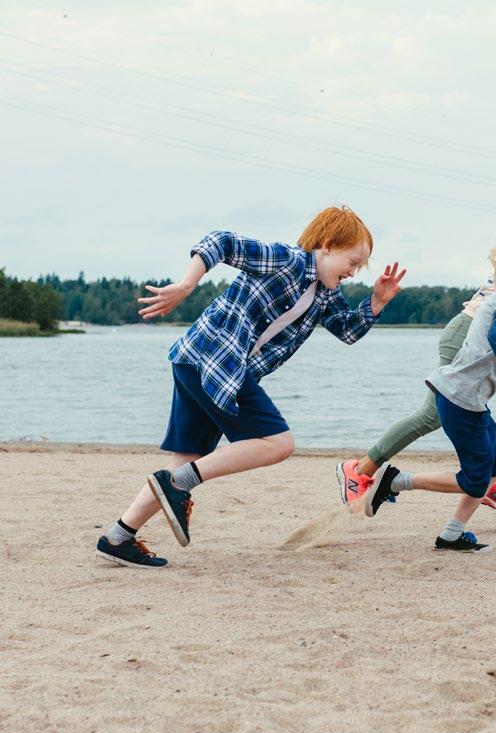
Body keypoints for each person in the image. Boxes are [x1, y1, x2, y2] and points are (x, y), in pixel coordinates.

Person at [95, 206, 405, 568]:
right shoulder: (286, 260)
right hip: (216, 359)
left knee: (185, 462)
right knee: (278, 443)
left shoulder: (325, 294)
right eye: (352, 261)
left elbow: (348, 331)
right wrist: (185, 285)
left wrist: (378, 302)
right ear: (327, 245)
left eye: (359, 267)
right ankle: (178, 485)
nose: (353, 272)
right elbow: (221, 242)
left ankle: (118, 536)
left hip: (197, 361)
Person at [337, 189, 496, 513]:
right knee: (432, 416)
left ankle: (494, 481)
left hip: (489, 341)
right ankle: (359, 471)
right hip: (469, 336)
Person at [362, 230, 496, 552]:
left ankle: (452, 534)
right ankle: (395, 480)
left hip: (466, 400)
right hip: (461, 401)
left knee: (494, 469)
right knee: (476, 479)